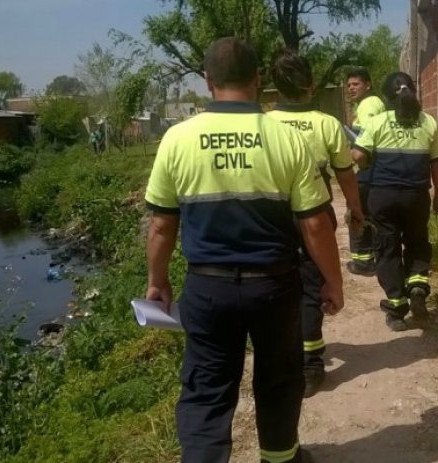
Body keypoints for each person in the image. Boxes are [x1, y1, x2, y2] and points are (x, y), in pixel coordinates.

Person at [144, 37, 344, 463]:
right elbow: (314, 224)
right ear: (258, 80)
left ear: (206, 81)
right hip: (273, 287)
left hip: (207, 289)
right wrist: (332, 280)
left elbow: (162, 225)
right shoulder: (287, 138)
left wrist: (157, 281)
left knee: (207, 390)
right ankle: (281, 458)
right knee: (278, 379)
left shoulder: (177, 139)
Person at [266, 49, 364, 398]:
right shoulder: (327, 124)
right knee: (311, 286)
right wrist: (356, 210)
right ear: (310, 84)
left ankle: (284, 355)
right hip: (316, 213)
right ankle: (310, 363)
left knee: (276, 283)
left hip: (272, 216)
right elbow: (345, 176)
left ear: (274, 86)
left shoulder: (264, 123)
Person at [351, 72, 438, 332]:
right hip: (416, 196)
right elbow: (437, 164)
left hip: (383, 196)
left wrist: (365, 158)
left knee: (387, 247)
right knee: (417, 241)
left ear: (385, 96)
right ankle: (417, 286)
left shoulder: (378, 121)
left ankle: (396, 307)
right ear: (412, 90)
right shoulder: (428, 122)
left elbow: (358, 155)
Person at [344, 68, 385, 277]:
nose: (351, 88)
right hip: (374, 169)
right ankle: (374, 258)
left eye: (356, 84)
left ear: (368, 85)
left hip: (367, 169)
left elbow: (367, 137)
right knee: (371, 214)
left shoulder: (369, 105)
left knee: (358, 213)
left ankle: (363, 261)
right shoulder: (369, 104)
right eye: (349, 85)